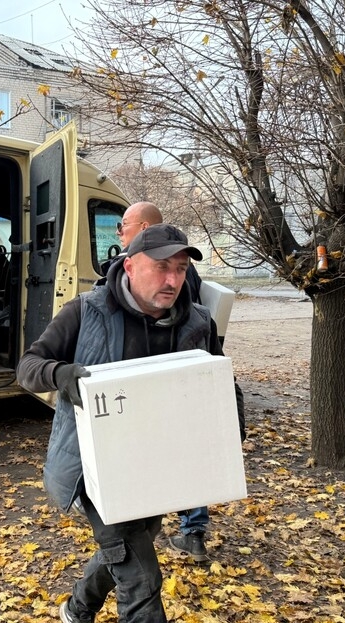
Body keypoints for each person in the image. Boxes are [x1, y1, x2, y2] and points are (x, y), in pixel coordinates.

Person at [17, 223, 245, 623]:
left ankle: (78, 610)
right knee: (141, 578)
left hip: (159, 469)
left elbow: (218, 379)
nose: (173, 280)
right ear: (129, 265)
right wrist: (59, 374)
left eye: (180, 269)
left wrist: (232, 421)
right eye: (162, 267)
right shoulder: (86, 310)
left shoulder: (198, 321)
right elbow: (28, 366)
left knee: (126, 551)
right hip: (94, 470)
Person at [102, 202, 213, 564]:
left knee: (186, 450)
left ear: (144, 226)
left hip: (170, 391)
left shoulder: (176, 278)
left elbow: (195, 330)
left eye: (124, 225)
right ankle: (189, 529)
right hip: (149, 402)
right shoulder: (98, 301)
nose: (120, 232)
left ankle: (190, 528)